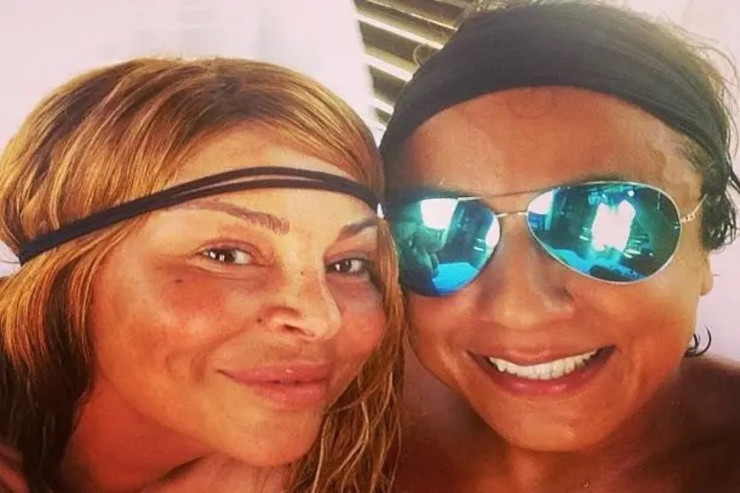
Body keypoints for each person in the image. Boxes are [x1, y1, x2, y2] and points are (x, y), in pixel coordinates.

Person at [380, 1, 740, 491]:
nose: (520, 309)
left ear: (706, 241)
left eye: (605, 223)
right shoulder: (342, 402)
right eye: (440, 233)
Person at [0, 57, 403, 492]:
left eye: (347, 264)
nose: (321, 319)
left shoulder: (382, 454)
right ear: (66, 272)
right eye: (226, 255)